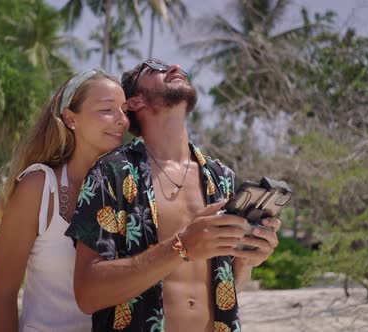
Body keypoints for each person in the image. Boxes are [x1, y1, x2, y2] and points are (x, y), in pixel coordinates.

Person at [66, 60, 281, 332]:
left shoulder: (221, 177)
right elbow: (88, 294)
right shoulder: (112, 172)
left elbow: (228, 285)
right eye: (154, 67)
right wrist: (182, 246)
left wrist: (249, 259)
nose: (175, 66)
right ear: (134, 102)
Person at [0, 68, 129, 332]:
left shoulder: (128, 191)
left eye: (124, 110)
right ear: (70, 119)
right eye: (107, 110)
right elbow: (3, 294)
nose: (122, 120)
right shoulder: (39, 188)